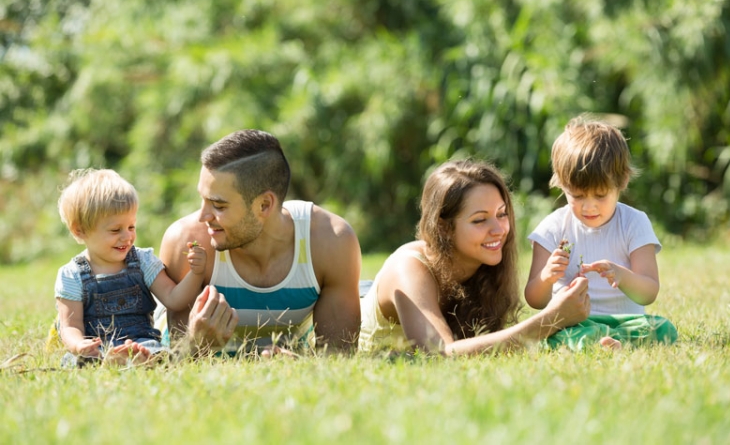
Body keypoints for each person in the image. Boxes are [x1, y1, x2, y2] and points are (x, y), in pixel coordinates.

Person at [158, 129, 361, 356]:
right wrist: (197, 345)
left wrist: (301, 368)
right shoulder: (187, 243)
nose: (202, 216)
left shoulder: (330, 241)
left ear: (264, 205)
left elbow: (339, 358)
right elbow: (175, 365)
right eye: (202, 199)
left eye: (218, 205)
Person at [358, 159, 591, 355]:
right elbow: (440, 354)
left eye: (501, 214)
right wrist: (552, 318)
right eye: (480, 220)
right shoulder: (408, 269)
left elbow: (491, 347)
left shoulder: (484, 267)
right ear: (444, 228)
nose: (499, 229)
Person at [526, 115, 678, 350]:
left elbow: (648, 293)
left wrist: (621, 275)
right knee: (552, 333)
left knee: (664, 329)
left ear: (622, 181)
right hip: (573, 322)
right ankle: (600, 342)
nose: (588, 207)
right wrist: (547, 276)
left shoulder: (634, 223)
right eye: (576, 196)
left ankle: (608, 341)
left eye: (600, 195)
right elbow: (535, 300)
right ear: (561, 183)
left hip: (626, 321)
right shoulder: (553, 227)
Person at [54, 169, 206, 367]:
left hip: (142, 342)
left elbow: (174, 298)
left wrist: (197, 273)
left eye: (131, 227)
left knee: (159, 354)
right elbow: (70, 326)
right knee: (78, 361)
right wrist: (78, 345)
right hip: (97, 348)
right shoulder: (72, 275)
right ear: (80, 230)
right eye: (116, 230)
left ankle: (133, 357)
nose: (127, 237)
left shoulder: (142, 261)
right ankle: (114, 359)